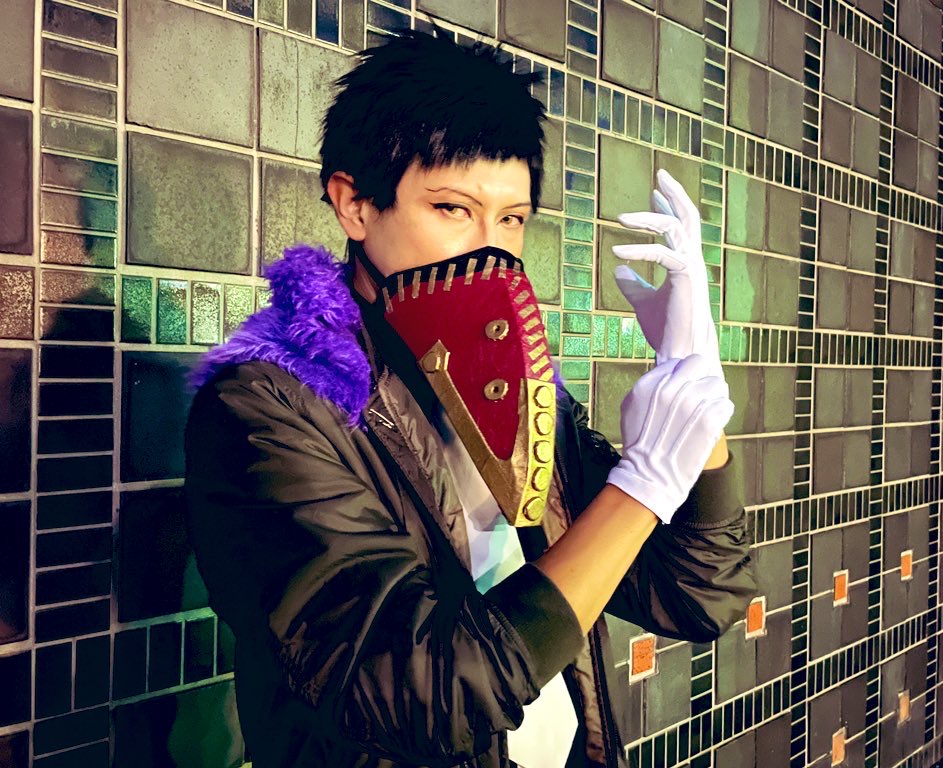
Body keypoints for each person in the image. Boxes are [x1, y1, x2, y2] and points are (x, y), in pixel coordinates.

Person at [184, 28, 755, 768]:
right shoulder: (267, 410)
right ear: (355, 206)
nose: (490, 250)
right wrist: (641, 486)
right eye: (454, 209)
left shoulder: (518, 398)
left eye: (511, 219)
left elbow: (699, 596)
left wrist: (694, 402)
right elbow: (424, 696)